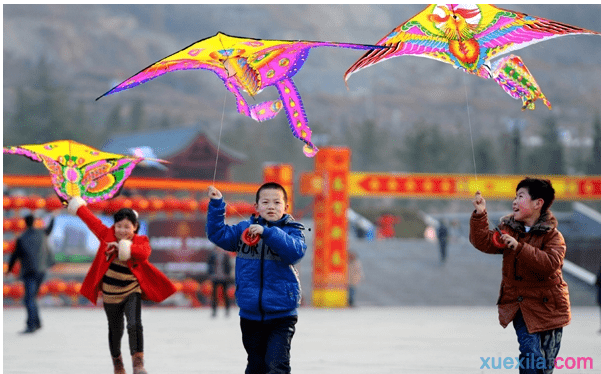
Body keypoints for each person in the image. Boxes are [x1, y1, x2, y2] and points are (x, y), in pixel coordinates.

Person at [470, 178, 570, 374]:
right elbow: (483, 242)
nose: (515, 201)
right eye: (515, 197)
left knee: (545, 366)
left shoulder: (553, 236)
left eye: (521, 197)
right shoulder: (508, 229)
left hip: (550, 309)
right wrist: (480, 213)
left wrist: (519, 248)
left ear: (537, 203)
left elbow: (549, 264)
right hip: (521, 306)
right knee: (530, 354)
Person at [67, 196, 176, 374]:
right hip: (110, 294)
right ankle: (117, 363)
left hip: (131, 290)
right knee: (115, 330)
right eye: (119, 226)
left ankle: (138, 364)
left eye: (127, 227)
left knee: (134, 324)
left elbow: (143, 254)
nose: (122, 230)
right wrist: (77, 206)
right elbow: (91, 220)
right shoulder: (106, 235)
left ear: (135, 228)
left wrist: (124, 248)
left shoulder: (140, 241)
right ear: (114, 226)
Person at [206, 182, 307, 374]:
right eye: (265, 202)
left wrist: (267, 233)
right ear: (256, 207)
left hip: (282, 314)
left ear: (285, 207)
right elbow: (217, 234)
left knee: (277, 365)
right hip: (250, 314)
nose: (271, 206)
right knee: (256, 365)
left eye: (277, 202)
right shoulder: (244, 230)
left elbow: (295, 253)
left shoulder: (293, 230)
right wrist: (217, 205)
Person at [6, 213, 55, 334]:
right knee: (32, 298)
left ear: (25, 223)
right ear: (34, 222)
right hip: (42, 271)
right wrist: (54, 216)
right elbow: (50, 228)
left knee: (29, 299)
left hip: (29, 272)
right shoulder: (41, 233)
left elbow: (14, 256)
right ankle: (37, 323)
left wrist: (9, 270)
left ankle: (31, 325)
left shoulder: (22, 238)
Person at [208, 245, 232, 317]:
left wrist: (228, 275)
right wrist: (211, 274)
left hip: (224, 278)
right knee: (214, 295)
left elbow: (229, 266)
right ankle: (214, 311)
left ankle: (227, 310)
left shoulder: (225, 255)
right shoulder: (212, 255)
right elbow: (209, 265)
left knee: (225, 295)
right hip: (215, 277)